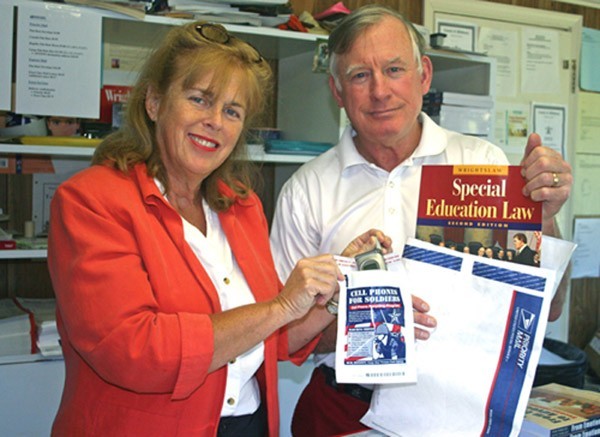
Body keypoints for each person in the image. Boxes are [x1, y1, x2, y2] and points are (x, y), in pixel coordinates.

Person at [47, 21, 385, 436]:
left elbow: (272, 339)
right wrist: (279, 306)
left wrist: (333, 287)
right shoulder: (92, 201)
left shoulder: (239, 205)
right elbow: (133, 350)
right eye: (199, 100)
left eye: (232, 111)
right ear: (154, 102)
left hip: (248, 425)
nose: (215, 122)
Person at [269, 5, 573, 436]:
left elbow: (550, 307)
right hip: (341, 410)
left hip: (458, 413)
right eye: (359, 75)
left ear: (424, 75)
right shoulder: (306, 190)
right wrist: (368, 317)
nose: (379, 91)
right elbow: (284, 338)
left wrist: (542, 221)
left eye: (394, 69)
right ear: (337, 91)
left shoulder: (481, 165)